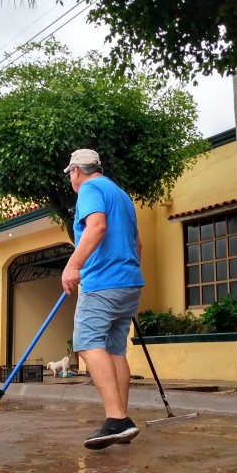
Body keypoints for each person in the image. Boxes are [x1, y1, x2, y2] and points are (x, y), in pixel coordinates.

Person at [62, 148, 144, 449]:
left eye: (71, 174)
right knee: (114, 350)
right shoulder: (121, 195)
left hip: (104, 284)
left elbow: (96, 227)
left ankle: (116, 418)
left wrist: (73, 265)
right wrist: (125, 275)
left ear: (76, 171)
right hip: (128, 281)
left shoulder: (89, 188)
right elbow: (137, 243)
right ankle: (121, 422)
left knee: (85, 342)